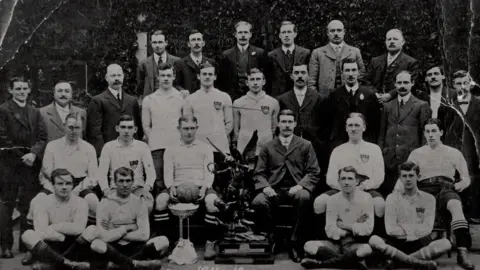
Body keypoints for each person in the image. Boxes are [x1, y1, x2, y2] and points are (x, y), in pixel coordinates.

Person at [395, 118, 474, 269]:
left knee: (456, 205)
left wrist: (459, 185)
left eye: (434, 131)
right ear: (424, 134)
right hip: (424, 188)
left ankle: (462, 253)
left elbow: (466, 177)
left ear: (441, 133)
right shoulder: (417, 153)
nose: (431, 135)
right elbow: (405, 174)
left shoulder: (453, 152)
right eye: (428, 131)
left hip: (446, 187)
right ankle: (412, 252)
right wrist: (396, 191)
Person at [23, 112, 99, 265]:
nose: (73, 131)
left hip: (78, 185)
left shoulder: (89, 148)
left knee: (92, 200)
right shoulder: (52, 146)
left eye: (77, 128)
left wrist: (76, 191)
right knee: (37, 201)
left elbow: (93, 176)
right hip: (55, 184)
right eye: (70, 127)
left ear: (82, 128)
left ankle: (86, 245)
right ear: (64, 126)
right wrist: (54, 188)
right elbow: (45, 172)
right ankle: (33, 248)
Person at [252, 109, 320, 262]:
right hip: (274, 188)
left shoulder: (305, 145)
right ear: (278, 124)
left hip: (296, 188)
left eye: (290, 122)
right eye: (283, 121)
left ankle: (294, 242)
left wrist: (300, 186)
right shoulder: (268, 146)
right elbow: (258, 173)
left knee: (304, 197)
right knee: (258, 202)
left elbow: (313, 171)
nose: (287, 125)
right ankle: (273, 237)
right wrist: (266, 187)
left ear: (295, 124)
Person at [158, 115, 222, 259]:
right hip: (178, 186)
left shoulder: (205, 148)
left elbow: (209, 172)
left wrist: (205, 187)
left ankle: (210, 243)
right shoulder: (171, 149)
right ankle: (164, 242)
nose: (189, 132)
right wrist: (171, 187)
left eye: (192, 128)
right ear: (178, 129)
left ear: (197, 129)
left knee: (212, 202)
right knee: (161, 200)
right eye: (185, 128)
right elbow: (168, 172)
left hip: (200, 186)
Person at [314, 113, 385, 240]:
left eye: (357, 125)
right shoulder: (338, 150)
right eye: (350, 125)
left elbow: (379, 177)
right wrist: (345, 189)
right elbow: (330, 178)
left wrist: (362, 187)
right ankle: (327, 238)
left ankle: (373, 240)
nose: (353, 129)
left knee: (379, 205)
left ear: (364, 127)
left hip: (366, 188)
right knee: (319, 202)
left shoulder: (374, 149)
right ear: (346, 128)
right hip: (341, 188)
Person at [369, 161, 451, 269]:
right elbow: (390, 229)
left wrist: (407, 231)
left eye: (411, 175)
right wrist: (412, 232)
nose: (408, 179)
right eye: (404, 176)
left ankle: (399, 261)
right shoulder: (392, 198)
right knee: (374, 240)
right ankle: (417, 262)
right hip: (397, 242)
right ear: (400, 178)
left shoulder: (428, 199)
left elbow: (427, 227)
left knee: (446, 243)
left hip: (420, 242)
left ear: (418, 176)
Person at [0, 77, 47, 259]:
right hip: (9, 165)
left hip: (30, 166)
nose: (21, 91)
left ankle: (26, 244)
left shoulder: (35, 112)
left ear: (29, 90)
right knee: (7, 205)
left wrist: (34, 154)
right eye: (17, 88)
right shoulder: (3, 110)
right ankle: (5, 245)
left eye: (24, 88)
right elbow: (3, 139)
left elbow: (42, 137)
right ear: (10, 90)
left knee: (28, 204)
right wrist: (23, 157)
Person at [88, 167, 168, 269]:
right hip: (112, 247)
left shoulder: (139, 202)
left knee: (163, 241)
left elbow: (144, 235)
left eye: (128, 181)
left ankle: (117, 265)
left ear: (133, 182)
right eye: (121, 181)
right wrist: (129, 227)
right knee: (96, 244)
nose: (125, 185)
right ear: (114, 183)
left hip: (134, 246)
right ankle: (134, 264)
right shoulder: (104, 203)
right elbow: (103, 237)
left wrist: (113, 230)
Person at [302, 166, 374, 269]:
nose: (346, 182)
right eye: (343, 178)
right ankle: (352, 263)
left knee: (367, 249)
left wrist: (343, 225)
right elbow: (330, 230)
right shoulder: (332, 200)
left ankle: (321, 264)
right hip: (335, 244)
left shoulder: (366, 198)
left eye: (350, 179)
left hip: (354, 244)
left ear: (357, 181)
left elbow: (367, 229)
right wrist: (353, 228)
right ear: (338, 181)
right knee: (308, 246)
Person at [21, 169, 90, 270]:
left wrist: (54, 227)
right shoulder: (43, 202)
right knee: (27, 235)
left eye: (68, 183)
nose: (64, 187)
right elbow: (41, 231)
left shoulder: (81, 202)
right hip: (50, 246)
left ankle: (52, 265)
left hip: (72, 245)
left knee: (91, 230)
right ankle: (67, 263)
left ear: (73, 185)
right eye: (60, 183)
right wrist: (61, 236)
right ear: (53, 185)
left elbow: (79, 229)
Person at [277, 64, 329, 191]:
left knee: (314, 179)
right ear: (291, 76)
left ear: (308, 76)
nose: (300, 76)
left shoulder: (320, 98)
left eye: (303, 73)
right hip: (290, 147)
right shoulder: (282, 99)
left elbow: (325, 125)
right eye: (296, 73)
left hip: (314, 146)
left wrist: (319, 143)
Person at [378, 70, 431, 196]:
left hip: (410, 158)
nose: (402, 86)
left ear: (412, 83)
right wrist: (381, 152)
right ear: (395, 85)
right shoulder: (388, 106)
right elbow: (382, 132)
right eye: (399, 82)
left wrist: (422, 157)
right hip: (389, 158)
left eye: (406, 82)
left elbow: (425, 135)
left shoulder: (421, 105)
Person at [141, 63, 185, 215]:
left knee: (177, 181)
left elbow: (185, 123)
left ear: (173, 76)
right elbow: (146, 126)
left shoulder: (181, 98)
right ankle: (160, 220)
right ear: (158, 77)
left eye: (169, 75)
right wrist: (154, 141)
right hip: (157, 147)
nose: (166, 78)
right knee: (159, 182)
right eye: (162, 75)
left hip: (177, 147)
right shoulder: (149, 99)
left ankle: (177, 219)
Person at [183, 62, 233, 191]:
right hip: (198, 149)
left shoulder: (224, 97)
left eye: (210, 74)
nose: (207, 77)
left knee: (221, 184)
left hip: (219, 149)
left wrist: (218, 137)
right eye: (204, 74)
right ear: (199, 76)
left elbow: (229, 123)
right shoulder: (190, 99)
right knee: (198, 183)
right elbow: (187, 125)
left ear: (215, 77)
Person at [98, 115, 156, 213]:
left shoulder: (142, 146)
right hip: (116, 189)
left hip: (137, 188)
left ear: (135, 129)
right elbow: (101, 174)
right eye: (123, 127)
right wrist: (106, 191)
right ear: (117, 128)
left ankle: (143, 228)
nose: (126, 131)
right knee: (108, 207)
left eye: (130, 127)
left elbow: (151, 173)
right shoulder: (108, 147)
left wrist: (146, 189)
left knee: (147, 205)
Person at [86, 63, 143, 156]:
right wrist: (101, 154)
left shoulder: (132, 101)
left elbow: (138, 129)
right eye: (113, 75)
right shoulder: (98, 101)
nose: (116, 78)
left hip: (131, 151)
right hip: (109, 153)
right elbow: (94, 132)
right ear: (106, 77)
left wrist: (135, 150)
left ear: (123, 77)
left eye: (119, 75)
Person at [446, 70, 480, 223]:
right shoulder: (448, 104)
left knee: (474, 179)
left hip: (474, 150)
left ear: (470, 83)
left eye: (466, 83)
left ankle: (474, 214)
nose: (463, 87)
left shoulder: (478, 104)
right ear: (454, 85)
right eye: (459, 83)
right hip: (455, 150)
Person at [326, 58, 381, 148]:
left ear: (358, 72)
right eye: (347, 70)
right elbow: (329, 123)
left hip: (364, 143)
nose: (351, 74)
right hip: (341, 144)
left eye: (353, 70)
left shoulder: (369, 95)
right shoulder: (334, 94)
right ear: (342, 73)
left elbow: (375, 124)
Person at [308, 20, 366, 99]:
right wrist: (317, 98)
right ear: (327, 33)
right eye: (332, 31)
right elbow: (311, 81)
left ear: (344, 32)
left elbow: (362, 75)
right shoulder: (318, 53)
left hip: (350, 97)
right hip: (325, 98)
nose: (336, 33)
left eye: (339, 30)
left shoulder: (354, 51)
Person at [233, 68, 279, 155]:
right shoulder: (238, 103)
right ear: (247, 82)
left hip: (265, 147)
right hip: (244, 148)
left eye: (258, 79)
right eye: (252, 79)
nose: (255, 83)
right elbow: (236, 130)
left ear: (264, 81)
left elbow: (274, 128)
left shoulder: (273, 102)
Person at [218, 21, 268, 101]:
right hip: (233, 96)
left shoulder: (259, 53)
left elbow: (266, 76)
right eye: (240, 32)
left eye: (245, 32)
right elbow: (222, 80)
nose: (243, 35)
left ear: (250, 34)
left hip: (255, 95)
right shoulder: (226, 55)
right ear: (235, 34)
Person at [367, 29, 419, 103]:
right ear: (385, 42)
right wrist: (375, 94)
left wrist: (390, 95)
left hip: (398, 103)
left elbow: (411, 84)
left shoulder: (411, 63)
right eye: (389, 39)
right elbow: (367, 81)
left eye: (395, 39)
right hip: (375, 102)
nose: (391, 41)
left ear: (403, 42)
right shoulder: (375, 61)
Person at [266, 21, 310, 96]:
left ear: (295, 34)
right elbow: (268, 79)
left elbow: (309, 77)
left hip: (299, 94)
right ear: (279, 35)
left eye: (289, 32)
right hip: (278, 95)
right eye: (283, 32)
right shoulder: (271, 55)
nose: (286, 35)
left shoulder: (305, 53)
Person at [136, 30, 180, 98]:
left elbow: (179, 84)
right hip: (151, 101)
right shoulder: (143, 64)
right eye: (154, 42)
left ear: (166, 43)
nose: (157, 45)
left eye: (160, 42)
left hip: (171, 101)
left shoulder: (177, 61)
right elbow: (140, 85)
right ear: (151, 43)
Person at [416, 64, 455, 131]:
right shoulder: (421, 97)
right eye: (429, 75)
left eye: (436, 74)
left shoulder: (453, 95)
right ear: (426, 78)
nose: (433, 77)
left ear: (443, 76)